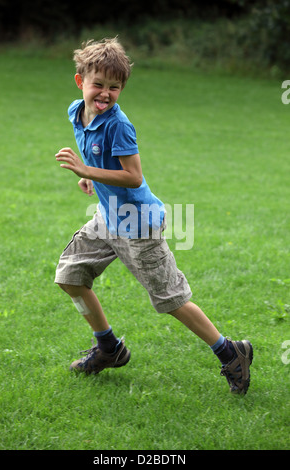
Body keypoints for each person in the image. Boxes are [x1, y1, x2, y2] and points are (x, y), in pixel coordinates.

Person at [54, 37, 253, 394]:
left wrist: (86, 169)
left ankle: (230, 352)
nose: (105, 93)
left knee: (170, 299)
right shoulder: (75, 112)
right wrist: (89, 176)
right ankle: (109, 348)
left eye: (114, 88)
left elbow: (133, 176)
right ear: (80, 81)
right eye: (98, 84)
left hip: (138, 224)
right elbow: (101, 163)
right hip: (107, 217)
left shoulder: (119, 124)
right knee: (70, 275)